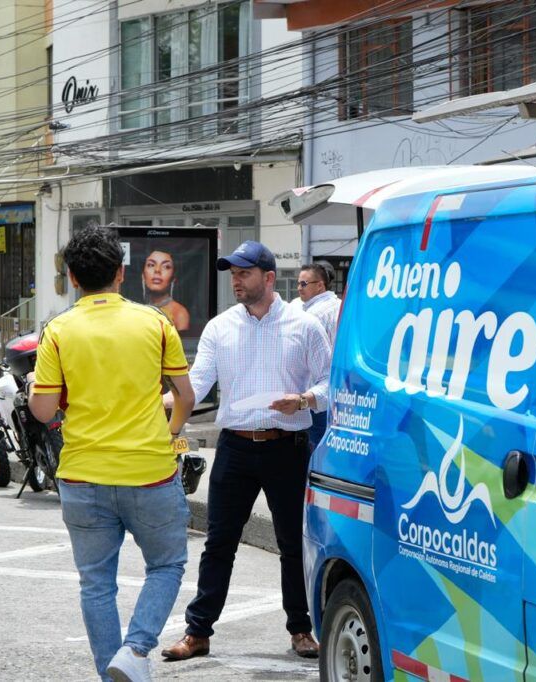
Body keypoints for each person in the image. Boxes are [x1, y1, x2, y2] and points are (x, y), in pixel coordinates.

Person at [29, 226, 196, 682]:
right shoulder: (156, 322)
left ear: (73, 278)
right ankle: (137, 649)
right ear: (122, 273)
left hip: (82, 475)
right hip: (150, 473)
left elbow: (43, 411)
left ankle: (112, 674)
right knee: (166, 564)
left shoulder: (58, 331)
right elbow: (185, 393)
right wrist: (172, 432)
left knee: (96, 584)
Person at [162, 240, 331, 662]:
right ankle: (197, 632)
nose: (235, 280)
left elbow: (334, 384)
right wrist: (162, 405)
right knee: (219, 542)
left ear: (269, 278)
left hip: (287, 447)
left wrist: (306, 399)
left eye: (244, 273)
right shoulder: (220, 327)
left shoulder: (303, 325)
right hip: (235, 449)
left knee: (293, 543)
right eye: (232, 273)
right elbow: (196, 385)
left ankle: (301, 629)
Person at [288, 261, 340, 450]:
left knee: (313, 447)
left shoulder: (323, 311)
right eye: (298, 283)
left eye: (304, 284)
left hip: (316, 391)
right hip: (311, 393)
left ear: (320, 286)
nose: (299, 288)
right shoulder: (301, 306)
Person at [142, 249, 190, 331]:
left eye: (166, 267)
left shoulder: (179, 314)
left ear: (173, 278)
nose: (157, 270)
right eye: (151, 265)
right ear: (143, 275)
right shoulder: (137, 309)